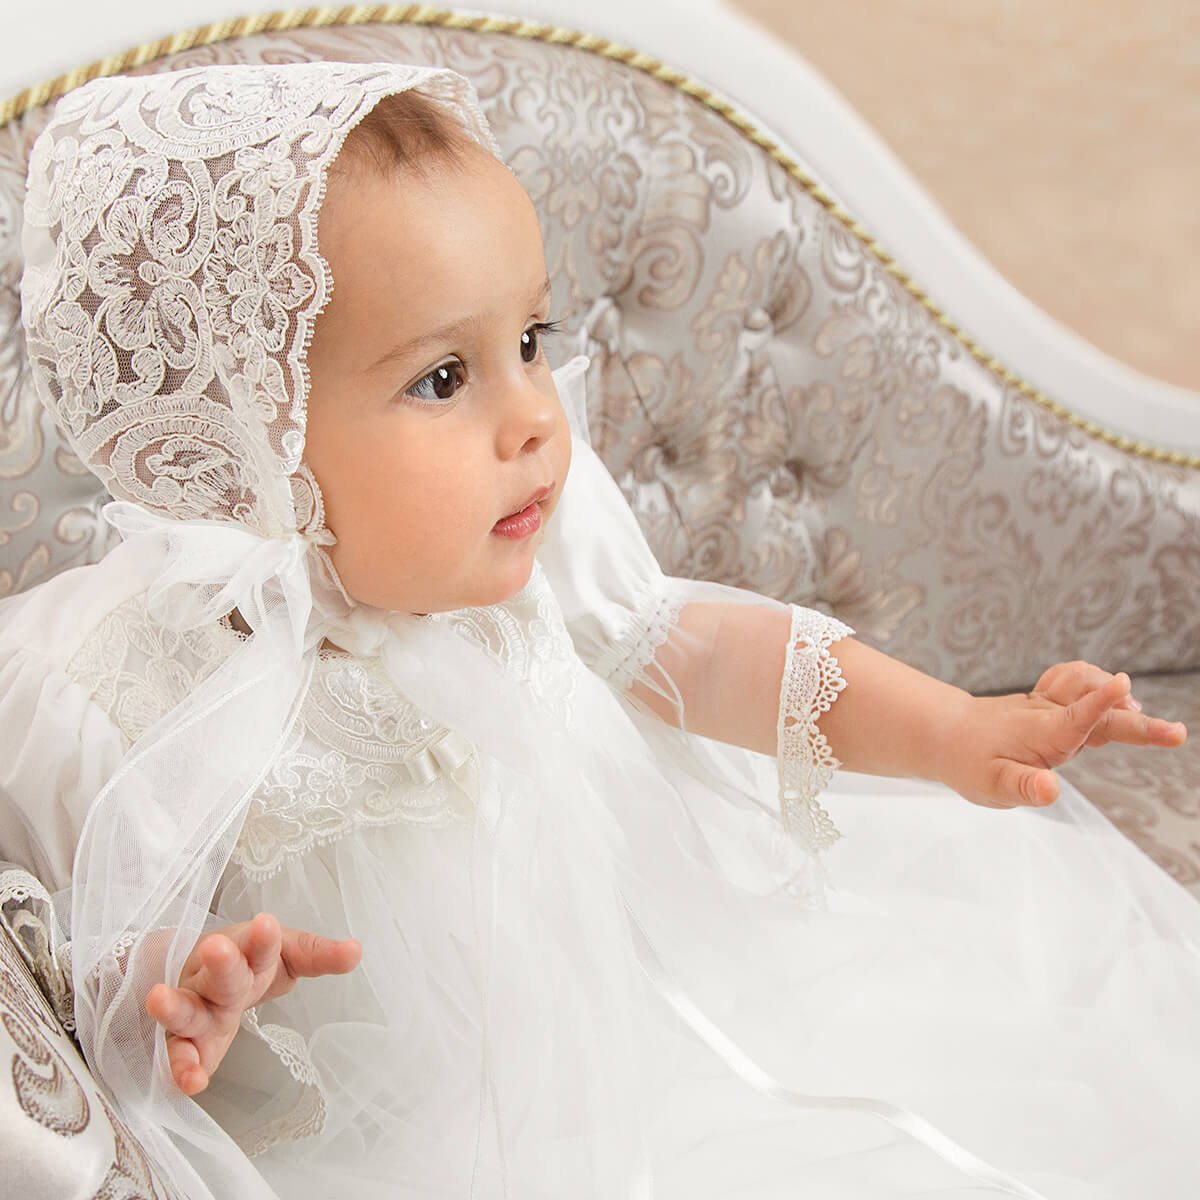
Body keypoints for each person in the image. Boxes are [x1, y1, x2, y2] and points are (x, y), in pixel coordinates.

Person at [2, 60, 1197, 1200]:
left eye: (529, 341)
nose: (532, 417)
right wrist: (190, 989)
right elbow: (111, 913)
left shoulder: (526, 538)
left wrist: (952, 731)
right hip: (422, 1130)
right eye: (441, 379)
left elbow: (704, 649)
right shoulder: (137, 667)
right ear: (250, 430)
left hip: (650, 992)